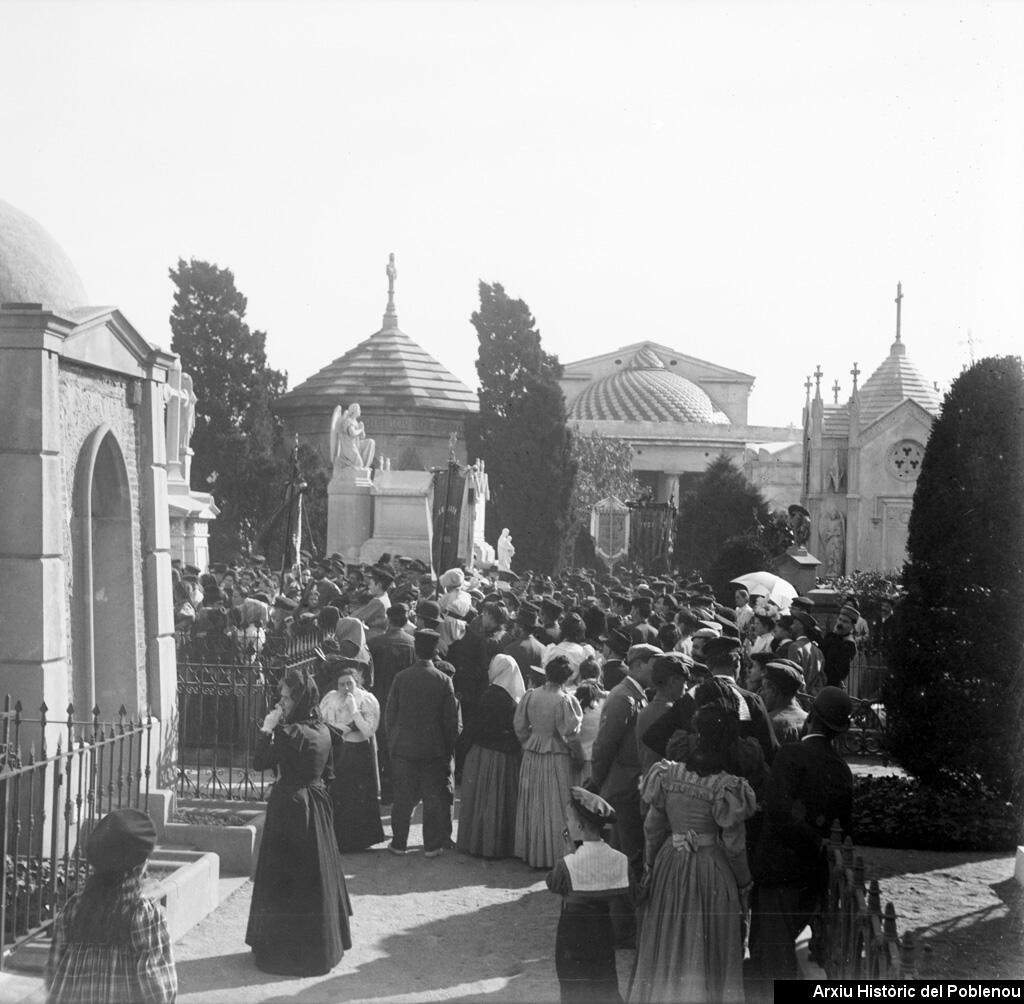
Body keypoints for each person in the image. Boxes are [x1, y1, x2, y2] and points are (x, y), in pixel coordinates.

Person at [628, 706, 757, 1004]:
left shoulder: (668, 774)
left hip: (669, 864)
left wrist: (650, 865)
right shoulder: (727, 786)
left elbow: (652, 828)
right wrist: (744, 883)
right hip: (711, 872)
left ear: (697, 736)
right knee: (706, 944)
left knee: (668, 938)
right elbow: (735, 847)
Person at [246, 666, 352, 975]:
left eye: (286, 698)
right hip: (317, 804)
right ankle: (322, 947)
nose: (281, 704)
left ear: (301, 699)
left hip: (291, 807)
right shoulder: (323, 730)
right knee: (315, 875)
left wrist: (267, 728)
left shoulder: (290, 733)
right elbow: (329, 774)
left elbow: (259, 763)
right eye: (280, 697)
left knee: (287, 878)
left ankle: (286, 951)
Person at [751, 686, 854, 983]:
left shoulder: (791, 755)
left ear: (810, 718)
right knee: (780, 955)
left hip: (778, 870)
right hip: (813, 875)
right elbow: (845, 831)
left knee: (771, 957)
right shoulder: (842, 769)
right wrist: (819, 844)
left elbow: (778, 812)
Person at [45, 808, 176, 1004]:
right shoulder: (143, 914)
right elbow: (159, 988)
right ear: (140, 867)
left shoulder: (75, 907)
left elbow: (54, 970)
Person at [546, 788, 632, 1004]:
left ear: (578, 827)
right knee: (604, 981)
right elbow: (633, 894)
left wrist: (569, 852)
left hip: (571, 932)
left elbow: (553, 883)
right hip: (603, 930)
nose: (566, 823)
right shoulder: (620, 859)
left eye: (568, 819)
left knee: (573, 987)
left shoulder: (568, 864)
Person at [384, 628, 461, 856]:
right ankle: (431, 845)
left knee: (402, 799)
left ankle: (399, 843)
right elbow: (450, 722)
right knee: (432, 798)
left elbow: (390, 716)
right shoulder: (444, 680)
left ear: (416, 650)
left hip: (404, 748)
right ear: (435, 650)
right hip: (433, 749)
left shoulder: (401, 677)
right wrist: (447, 750)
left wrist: (394, 743)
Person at [514, 655, 585, 869]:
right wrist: (578, 756)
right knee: (556, 805)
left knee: (533, 804)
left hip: (532, 754)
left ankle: (531, 852)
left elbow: (519, 726)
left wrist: (531, 741)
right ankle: (555, 855)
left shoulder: (530, 695)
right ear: (566, 678)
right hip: (555, 757)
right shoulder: (565, 700)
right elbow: (570, 735)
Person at [457, 653, 525, 858]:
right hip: (507, 756)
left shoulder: (492, 694)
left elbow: (476, 726)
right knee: (502, 801)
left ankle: (482, 844)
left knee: (484, 802)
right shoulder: (516, 695)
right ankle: (503, 845)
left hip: (485, 755)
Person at [319, 662, 386, 852]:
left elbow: (368, 730)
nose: (346, 688)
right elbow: (322, 723)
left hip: (358, 752)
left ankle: (359, 841)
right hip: (337, 751)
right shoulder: (330, 698)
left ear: (357, 682)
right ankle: (338, 840)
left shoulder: (367, 699)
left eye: (350, 683)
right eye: (342, 684)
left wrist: (354, 710)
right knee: (338, 794)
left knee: (357, 796)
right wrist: (344, 728)